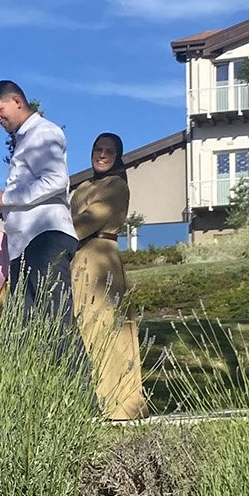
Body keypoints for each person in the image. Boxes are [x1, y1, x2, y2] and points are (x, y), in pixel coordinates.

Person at [0, 80, 87, 373]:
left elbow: (56, 180)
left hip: (45, 239)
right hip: (26, 245)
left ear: (17, 101)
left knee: (56, 321)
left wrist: (6, 198)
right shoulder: (25, 139)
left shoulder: (43, 133)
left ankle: (82, 395)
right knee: (22, 329)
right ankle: (31, 394)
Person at [71, 132, 146, 420]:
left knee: (108, 329)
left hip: (101, 260)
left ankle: (119, 403)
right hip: (77, 259)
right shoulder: (82, 188)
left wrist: (60, 232)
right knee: (82, 328)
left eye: (109, 151)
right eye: (97, 149)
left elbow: (88, 220)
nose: (102, 155)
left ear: (117, 156)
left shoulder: (116, 186)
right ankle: (87, 399)